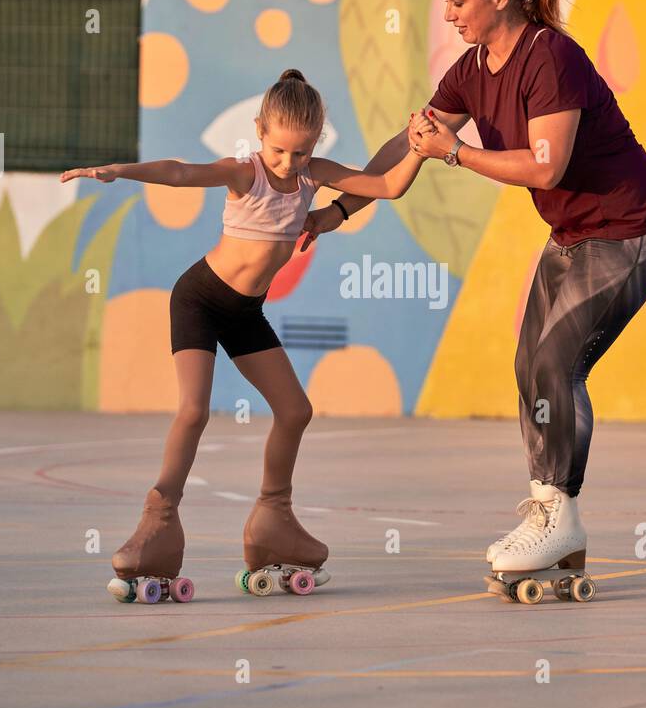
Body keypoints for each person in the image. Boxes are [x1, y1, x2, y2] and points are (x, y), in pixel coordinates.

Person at [301, 0, 646, 582]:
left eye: (458, 1)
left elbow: (545, 165)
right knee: (529, 365)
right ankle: (552, 521)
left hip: (634, 228)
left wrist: (455, 152)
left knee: (556, 363)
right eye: (444, 1)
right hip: (574, 234)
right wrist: (334, 208)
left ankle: (557, 515)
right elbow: (403, 157)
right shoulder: (472, 70)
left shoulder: (551, 57)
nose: (448, 14)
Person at [61, 69, 429, 601]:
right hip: (200, 299)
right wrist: (120, 171)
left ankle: (273, 518)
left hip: (245, 311)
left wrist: (419, 149)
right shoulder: (245, 173)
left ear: (315, 144)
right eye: (279, 150)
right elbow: (183, 172)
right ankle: (157, 522)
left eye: (301, 153)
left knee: (295, 410)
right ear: (260, 131)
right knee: (193, 411)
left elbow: (387, 184)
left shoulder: (313, 176)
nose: (288, 163)